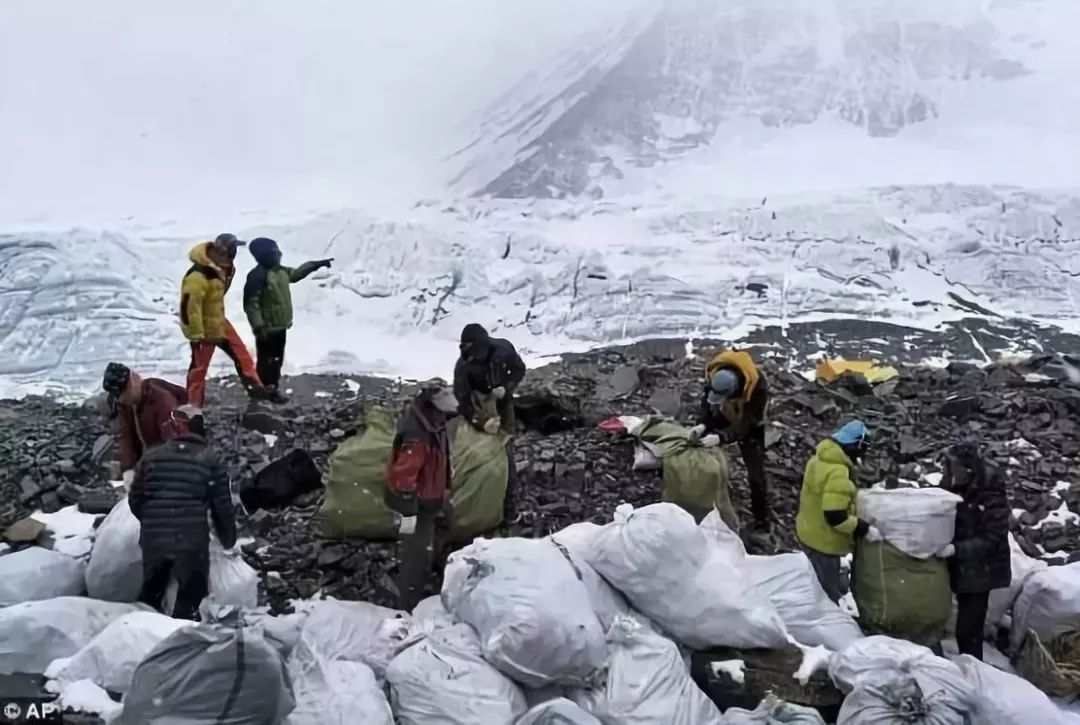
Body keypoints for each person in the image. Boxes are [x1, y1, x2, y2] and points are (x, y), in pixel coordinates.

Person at [129, 405, 237, 620]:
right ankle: (181, 643)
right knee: (191, 600)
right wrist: (228, 540)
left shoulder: (151, 457)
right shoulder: (210, 460)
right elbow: (222, 506)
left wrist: (153, 521)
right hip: (190, 542)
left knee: (151, 594)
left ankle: (143, 638)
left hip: (154, 540)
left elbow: (135, 499)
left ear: (178, 428)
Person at [384, 383, 457, 611]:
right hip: (417, 503)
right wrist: (409, 512)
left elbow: (441, 461)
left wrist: (446, 488)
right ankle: (409, 607)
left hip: (431, 496)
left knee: (439, 535)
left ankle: (431, 579)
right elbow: (404, 475)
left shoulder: (435, 423)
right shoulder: (418, 434)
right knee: (416, 556)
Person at [795, 420, 882, 603]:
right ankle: (827, 625)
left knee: (815, 581)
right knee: (826, 595)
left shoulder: (820, 458)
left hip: (808, 531)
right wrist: (864, 528)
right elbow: (835, 516)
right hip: (823, 542)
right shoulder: (838, 472)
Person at [941, 439, 1011, 660]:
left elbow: (994, 537)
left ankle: (974, 673)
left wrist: (956, 550)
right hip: (962, 567)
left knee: (968, 631)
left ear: (967, 468)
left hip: (983, 570)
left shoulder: (990, 493)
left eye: (953, 465)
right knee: (963, 624)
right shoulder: (957, 481)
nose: (949, 469)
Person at [180, 233, 267, 407]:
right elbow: (188, 309)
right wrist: (196, 336)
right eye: (233, 249)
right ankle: (192, 408)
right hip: (203, 329)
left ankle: (258, 395)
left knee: (243, 356)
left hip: (219, 321)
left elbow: (217, 296)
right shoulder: (198, 277)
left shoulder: (224, 269)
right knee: (198, 370)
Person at [242, 237, 333, 403]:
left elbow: (296, 274)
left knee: (276, 359)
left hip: (280, 325)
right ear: (263, 256)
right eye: (275, 253)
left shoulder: (280, 271)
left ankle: (270, 388)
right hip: (267, 328)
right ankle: (263, 390)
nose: (279, 254)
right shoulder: (258, 276)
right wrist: (258, 326)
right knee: (267, 360)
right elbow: (251, 304)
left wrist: (314, 265)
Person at [692, 349, 771, 531]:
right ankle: (707, 501)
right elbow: (707, 403)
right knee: (699, 447)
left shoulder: (758, 386)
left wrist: (721, 437)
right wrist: (702, 425)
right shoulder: (715, 375)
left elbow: (747, 423)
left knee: (756, 475)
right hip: (725, 413)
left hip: (750, 424)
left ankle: (761, 521)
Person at [102, 362, 188, 490]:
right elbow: (124, 436)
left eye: (122, 395)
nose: (120, 400)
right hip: (150, 456)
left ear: (131, 385)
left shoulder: (162, 400)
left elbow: (173, 441)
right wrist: (128, 468)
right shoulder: (123, 403)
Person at [453, 323, 526, 434]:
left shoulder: (504, 349)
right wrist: (475, 417)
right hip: (479, 399)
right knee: (483, 435)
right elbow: (460, 393)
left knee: (508, 431)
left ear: (483, 345)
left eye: (474, 350)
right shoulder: (464, 364)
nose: (472, 356)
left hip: (503, 394)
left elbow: (519, 369)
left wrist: (507, 387)